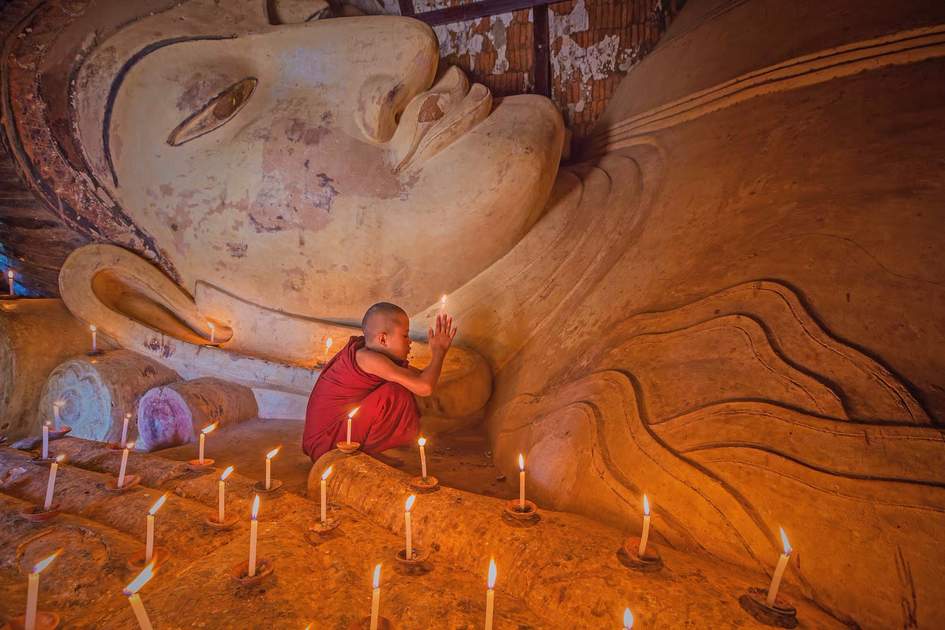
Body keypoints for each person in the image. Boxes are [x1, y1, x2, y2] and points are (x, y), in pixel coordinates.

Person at [302, 302, 457, 461]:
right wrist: (438, 353)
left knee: (402, 386)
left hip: (334, 436)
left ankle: (365, 452)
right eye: (405, 335)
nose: (410, 342)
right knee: (395, 392)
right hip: (327, 445)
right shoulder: (368, 359)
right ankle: (358, 453)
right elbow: (425, 387)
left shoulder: (375, 356)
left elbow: (422, 378)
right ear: (383, 339)